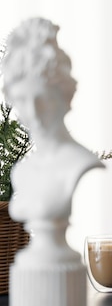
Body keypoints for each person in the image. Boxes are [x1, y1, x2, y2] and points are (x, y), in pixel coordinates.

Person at [1, 17, 104, 225]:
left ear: (64, 97)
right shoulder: (22, 172)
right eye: (21, 99)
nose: (33, 112)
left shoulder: (77, 163)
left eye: (43, 99)